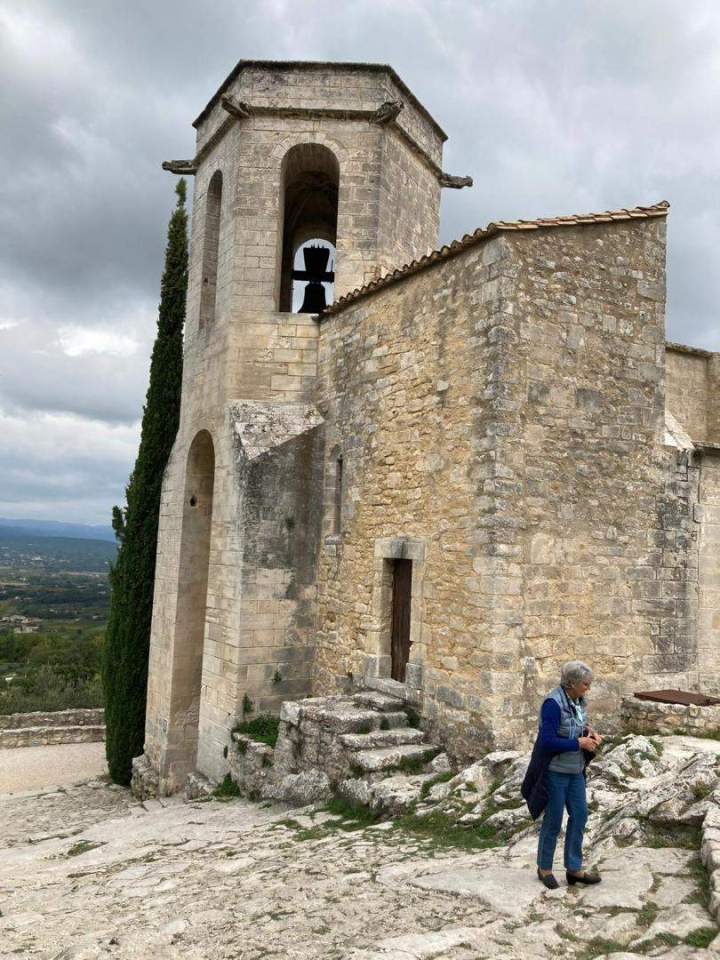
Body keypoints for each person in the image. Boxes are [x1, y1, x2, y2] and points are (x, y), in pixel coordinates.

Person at [526, 661, 602, 889]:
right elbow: (547, 741)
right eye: (585, 684)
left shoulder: (578, 701)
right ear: (572, 683)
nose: (588, 688)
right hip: (555, 772)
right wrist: (578, 742)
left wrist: (590, 733)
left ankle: (574, 869)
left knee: (580, 816)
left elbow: (579, 724)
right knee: (554, 820)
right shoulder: (552, 704)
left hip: (576, 771)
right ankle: (545, 868)